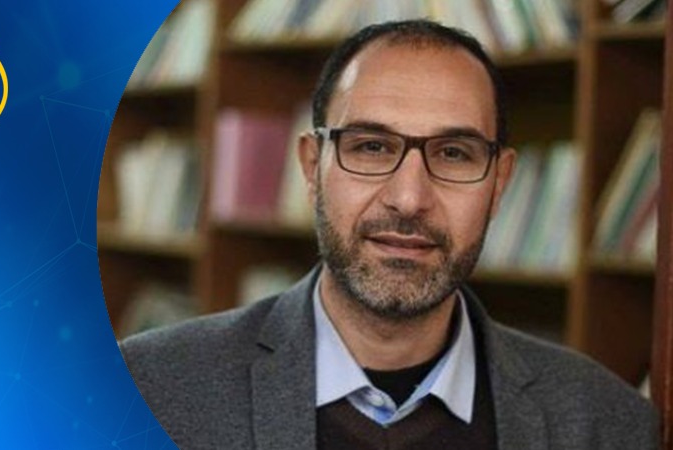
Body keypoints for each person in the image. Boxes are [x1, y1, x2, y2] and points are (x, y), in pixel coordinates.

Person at [120, 19, 659, 450]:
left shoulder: (608, 426)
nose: (409, 198)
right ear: (312, 167)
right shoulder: (143, 390)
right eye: (372, 147)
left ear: (499, 185)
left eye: (454, 154)